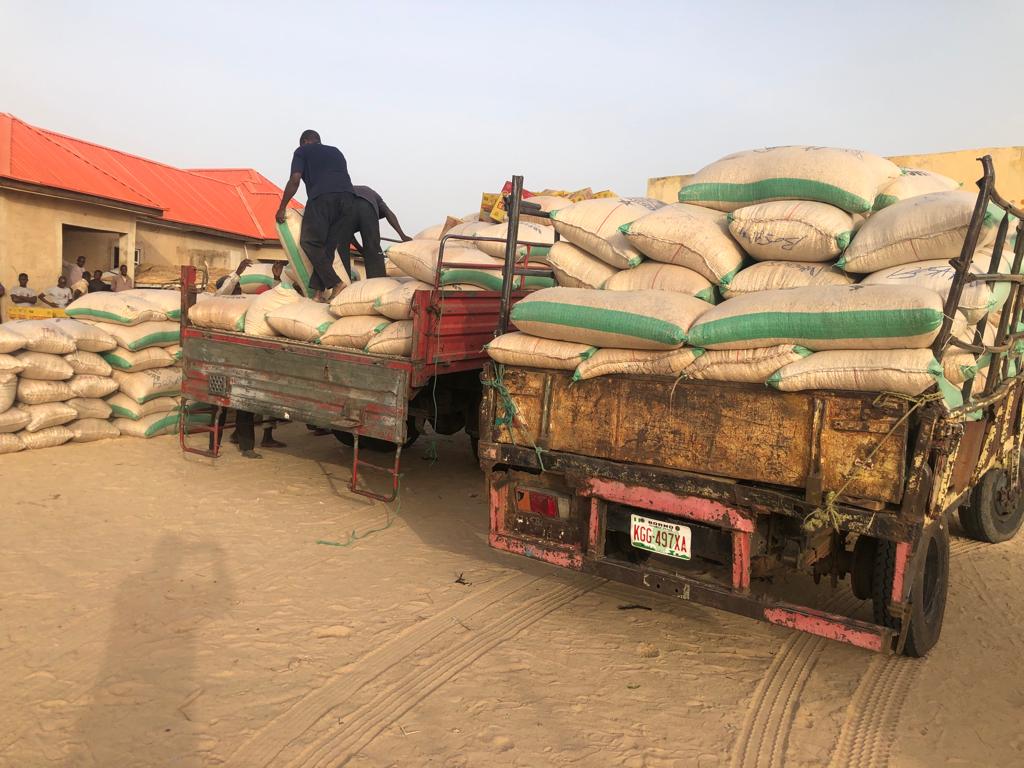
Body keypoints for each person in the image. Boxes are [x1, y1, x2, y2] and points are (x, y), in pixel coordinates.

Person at [275, 129, 357, 303]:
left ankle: (336, 283)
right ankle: (318, 293)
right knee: (326, 248)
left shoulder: (302, 151)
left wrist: (282, 207)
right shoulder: (336, 151)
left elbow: (295, 179)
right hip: (348, 199)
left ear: (304, 141)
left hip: (322, 197)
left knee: (309, 242)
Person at [335, 185, 412, 279]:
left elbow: (350, 237)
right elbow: (388, 212)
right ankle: (377, 283)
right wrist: (402, 235)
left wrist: (362, 251)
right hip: (366, 205)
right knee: (373, 248)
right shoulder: (373, 196)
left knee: (342, 247)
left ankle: (344, 283)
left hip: (344, 207)